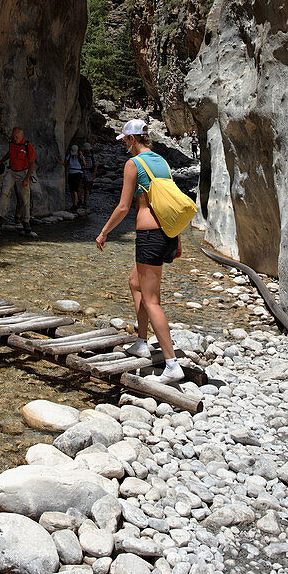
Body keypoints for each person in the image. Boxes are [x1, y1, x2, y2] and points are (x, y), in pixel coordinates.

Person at [95, 118, 184, 383]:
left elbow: (123, 207)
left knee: (152, 300)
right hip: (167, 233)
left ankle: (171, 364)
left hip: (149, 235)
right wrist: (177, 239)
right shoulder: (162, 162)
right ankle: (142, 341)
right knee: (135, 281)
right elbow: (171, 202)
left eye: (125, 141)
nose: (125, 146)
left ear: (132, 140)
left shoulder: (133, 164)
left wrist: (104, 232)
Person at [0, 127, 36, 234]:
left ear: (21, 136)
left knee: (25, 198)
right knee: (4, 192)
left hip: (23, 173)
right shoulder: (12, 143)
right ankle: (0, 216)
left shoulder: (27, 145)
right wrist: (1, 161)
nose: (15, 138)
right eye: (14, 136)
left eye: (17, 137)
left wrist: (26, 179)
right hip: (11, 172)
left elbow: (32, 164)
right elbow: (9, 153)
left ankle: (26, 221)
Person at [56, 144, 85, 210]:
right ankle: (74, 203)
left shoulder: (79, 156)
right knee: (72, 190)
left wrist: (82, 156)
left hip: (78, 173)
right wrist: (58, 161)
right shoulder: (69, 156)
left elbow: (84, 164)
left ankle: (75, 204)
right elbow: (66, 164)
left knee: (75, 189)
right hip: (71, 173)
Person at [81, 141, 96, 209]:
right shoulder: (83, 156)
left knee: (86, 189)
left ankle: (84, 202)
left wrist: (94, 173)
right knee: (83, 189)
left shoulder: (91, 156)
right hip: (83, 173)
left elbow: (95, 166)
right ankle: (82, 202)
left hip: (86, 173)